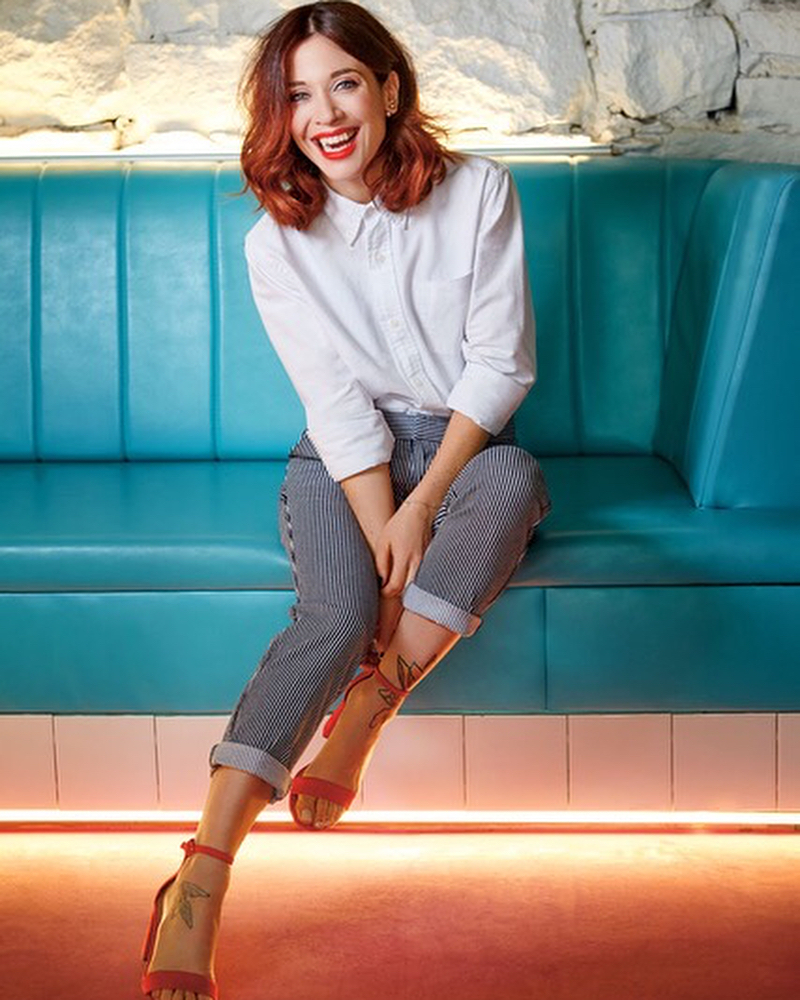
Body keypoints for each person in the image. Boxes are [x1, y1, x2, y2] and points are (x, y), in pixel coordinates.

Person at [140, 3, 551, 998]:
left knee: (516, 480)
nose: (323, 115)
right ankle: (199, 877)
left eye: (344, 84)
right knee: (333, 617)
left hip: (461, 445)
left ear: (388, 89)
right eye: (296, 95)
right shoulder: (275, 244)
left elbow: (499, 366)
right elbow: (334, 405)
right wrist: (382, 532)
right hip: (341, 458)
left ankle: (372, 704)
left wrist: (423, 507)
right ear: (277, 116)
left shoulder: (479, 191)